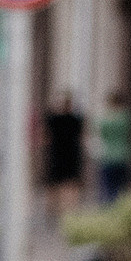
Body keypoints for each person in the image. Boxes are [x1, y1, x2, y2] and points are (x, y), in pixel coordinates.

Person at [43, 89, 85, 217]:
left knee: (56, 184)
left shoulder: (55, 119)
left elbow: (47, 128)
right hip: (70, 154)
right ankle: (70, 211)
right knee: (69, 184)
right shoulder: (75, 120)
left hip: (58, 154)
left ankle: (54, 211)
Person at [95, 90, 131, 199]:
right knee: (121, 187)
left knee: (107, 187)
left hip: (107, 156)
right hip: (123, 155)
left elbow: (98, 132)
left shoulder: (106, 119)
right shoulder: (126, 117)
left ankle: (108, 207)